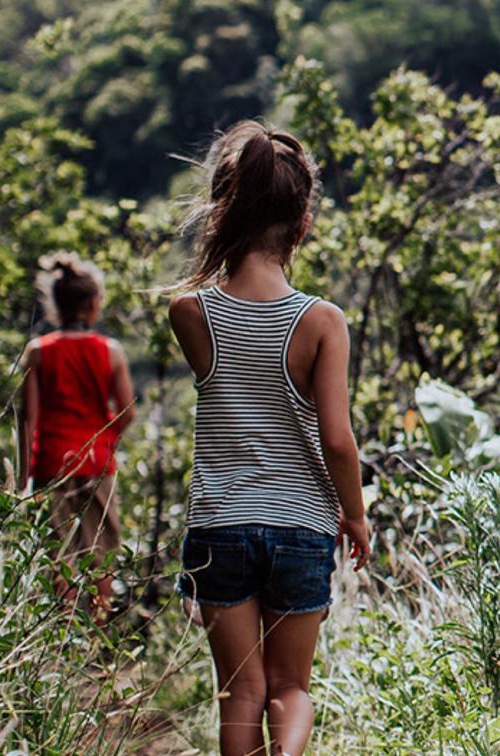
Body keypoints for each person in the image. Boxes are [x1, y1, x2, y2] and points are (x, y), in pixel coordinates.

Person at [168, 120, 371, 756]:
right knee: (291, 687)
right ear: (303, 224)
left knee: (240, 692)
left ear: (221, 213)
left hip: (221, 526)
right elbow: (337, 440)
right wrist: (355, 515)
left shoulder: (190, 312)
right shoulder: (322, 321)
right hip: (301, 525)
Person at [18, 253, 135, 620]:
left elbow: (27, 419)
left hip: (52, 462)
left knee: (61, 552)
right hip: (97, 461)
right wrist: (104, 440)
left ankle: (62, 634)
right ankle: (98, 631)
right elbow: (128, 411)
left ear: (55, 305)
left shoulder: (39, 352)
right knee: (102, 549)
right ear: (95, 303)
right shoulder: (110, 351)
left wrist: (22, 477)